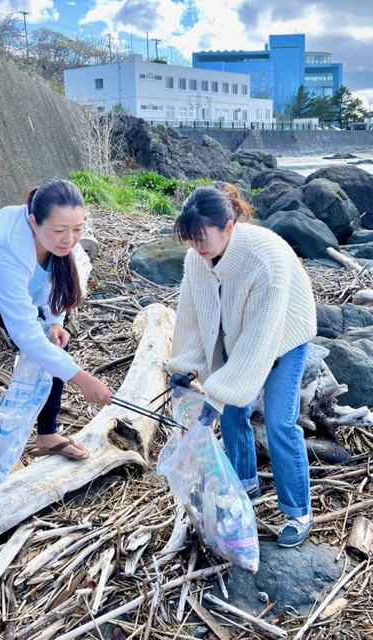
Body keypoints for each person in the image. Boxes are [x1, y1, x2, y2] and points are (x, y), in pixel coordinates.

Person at [0, 178, 112, 486]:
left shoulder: (56, 240)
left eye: (77, 229)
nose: (69, 239)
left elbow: (52, 281)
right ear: (33, 221)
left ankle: (47, 434)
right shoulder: (5, 254)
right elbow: (25, 334)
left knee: (55, 342)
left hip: (1, 295)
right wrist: (81, 379)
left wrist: (55, 320)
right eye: (59, 230)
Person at [167, 183, 317, 548]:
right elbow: (191, 315)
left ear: (229, 228)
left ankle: (299, 511)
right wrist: (184, 368)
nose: (197, 247)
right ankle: (244, 484)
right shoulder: (197, 258)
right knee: (234, 414)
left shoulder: (264, 260)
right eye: (190, 239)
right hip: (238, 329)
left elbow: (258, 342)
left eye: (202, 237)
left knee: (281, 422)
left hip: (284, 332)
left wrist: (213, 397)